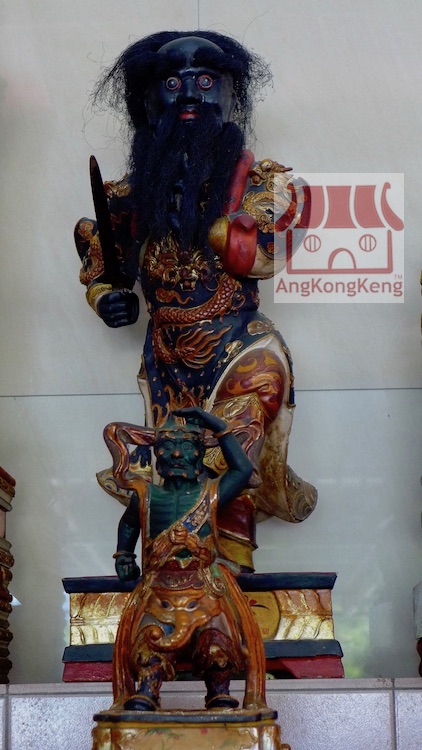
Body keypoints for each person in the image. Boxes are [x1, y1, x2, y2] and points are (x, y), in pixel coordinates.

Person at [75, 30, 317, 571]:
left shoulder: (261, 185)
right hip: (168, 359)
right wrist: (107, 297)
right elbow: (104, 265)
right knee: (176, 461)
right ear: (148, 102)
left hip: (241, 349)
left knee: (233, 442)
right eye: (172, 83)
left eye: (206, 82)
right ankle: (175, 569)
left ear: (230, 95)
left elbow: (266, 249)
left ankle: (232, 570)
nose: (189, 94)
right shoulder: (130, 197)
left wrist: (220, 221)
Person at [104, 406, 267, 711]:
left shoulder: (212, 493)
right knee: (151, 636)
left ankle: (218, 689)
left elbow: (242, 470)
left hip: (204, 583)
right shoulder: (146, 495)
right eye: (167, 447)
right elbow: (129, 524)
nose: (177, 455)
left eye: (187, 447)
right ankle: (148, 688)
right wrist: (124, 555)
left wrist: (216, 425)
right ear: (156, 453)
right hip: (159, 584)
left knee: (216, 638)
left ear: (200, 453)